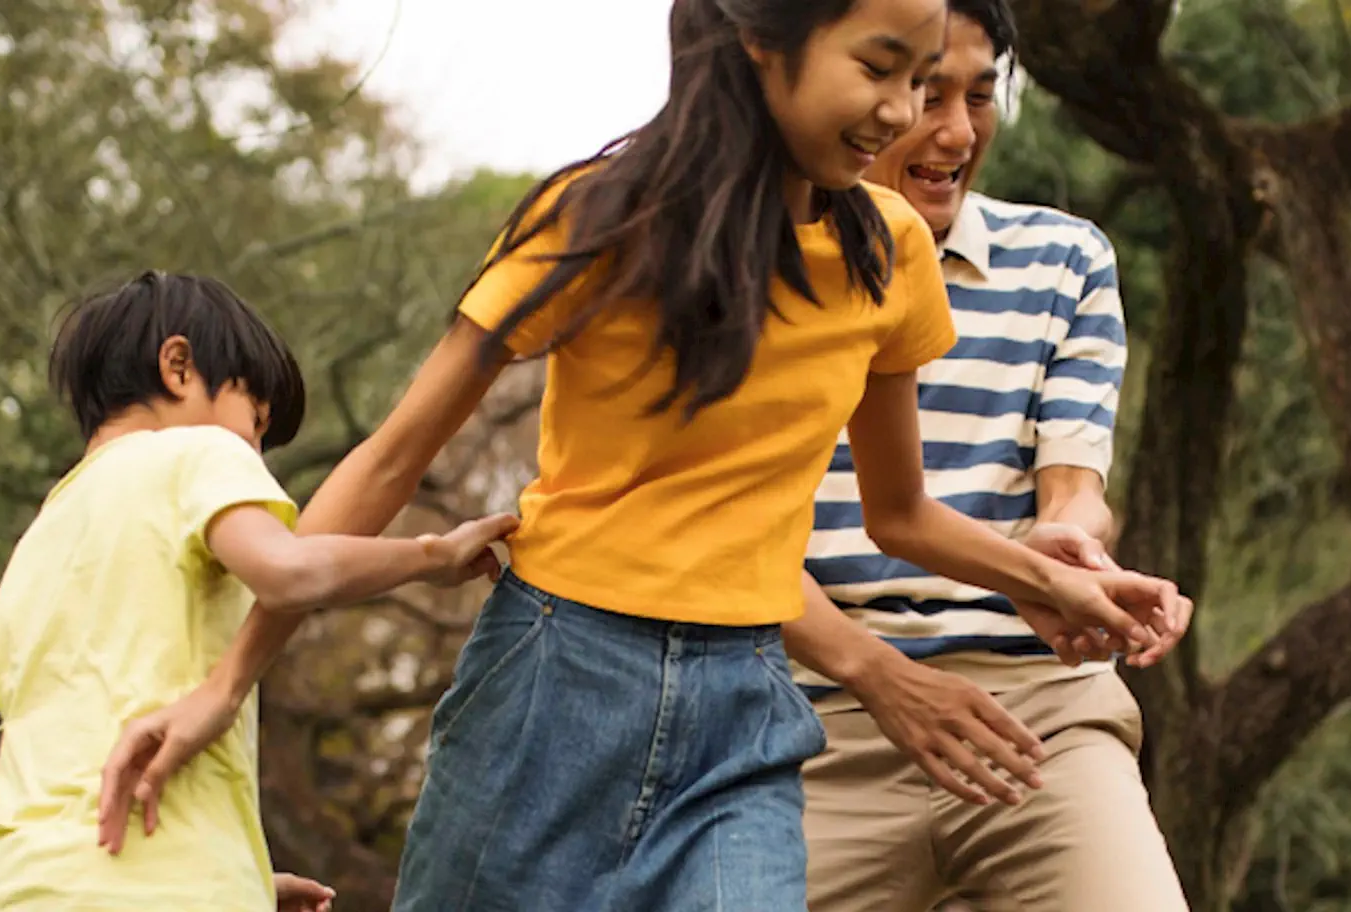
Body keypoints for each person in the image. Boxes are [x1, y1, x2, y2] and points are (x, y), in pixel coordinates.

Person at [92, 0, 1191, 909]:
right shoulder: (596, 220)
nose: (905, 114)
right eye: (881, 69)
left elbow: (902, 516)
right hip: (552, 682)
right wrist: (228, 684)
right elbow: (388, 461)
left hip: (746, 710)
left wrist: (1059, 583)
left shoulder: (886, 251)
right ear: (762, 42)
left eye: (929, 78)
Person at [780, 1, 1194, 909]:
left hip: (1033, 710)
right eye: (929, 94)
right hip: (808, 716)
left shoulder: (1066, 259)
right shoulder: (762, 267)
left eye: (980, 94)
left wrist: (1063, 552)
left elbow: (1075, 487)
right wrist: (876, 672)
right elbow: (733, 540)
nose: (957, 132)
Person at [0, 272, 514, 912]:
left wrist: (247, 878)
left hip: (22, 884)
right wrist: (430, 555)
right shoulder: (194, 452)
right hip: (166, 888)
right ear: (178, 367)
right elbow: (289, 572)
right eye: (255, 423)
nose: (255, 454)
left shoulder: (37, 546)